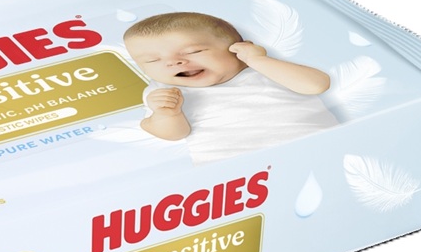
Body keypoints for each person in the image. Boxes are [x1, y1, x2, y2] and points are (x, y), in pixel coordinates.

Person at [123, 11, 338, 164]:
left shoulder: (264, 70)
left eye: (193, 51)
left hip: (316, 150)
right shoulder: (163, 93)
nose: (173, 62)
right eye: (152, 60)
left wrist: (259, 60)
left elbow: (317, 85)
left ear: (238, 48)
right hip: (234, 173)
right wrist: (166, 114)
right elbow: (173, 134)